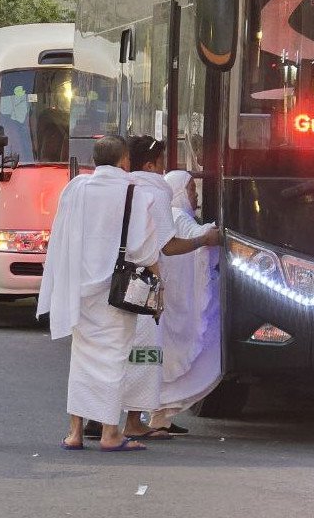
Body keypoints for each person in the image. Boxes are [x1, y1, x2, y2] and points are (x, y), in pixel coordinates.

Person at [38, 135, 220, 452]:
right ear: (124, 161)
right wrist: (158, 292)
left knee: (82, 359)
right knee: (114, 359)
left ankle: (75, 432)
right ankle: (111, 433)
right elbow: (152, 250)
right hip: (118, 292)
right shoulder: (136, 194)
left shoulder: (76, 188)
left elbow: (62, 236)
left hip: (79, 288)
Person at [149, 169, 221, 434]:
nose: (195, 194)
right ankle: (159, 416)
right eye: (191, 189)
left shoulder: (170, 216)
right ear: (178, 191)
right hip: (176, 303)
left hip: (171, 300)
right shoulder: (177, 217)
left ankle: (161, 418)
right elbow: (200, 237)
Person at [118, 136, 176, 442]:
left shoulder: (121, 187)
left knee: (114, 348)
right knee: (144, 350)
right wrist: (206, 239)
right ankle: (133, 421)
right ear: (150, 165)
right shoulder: (155, 191)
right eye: (162, 161)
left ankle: (97, 416)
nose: (165, 168)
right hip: (143, 282)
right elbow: (168, 244)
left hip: (111, 279)